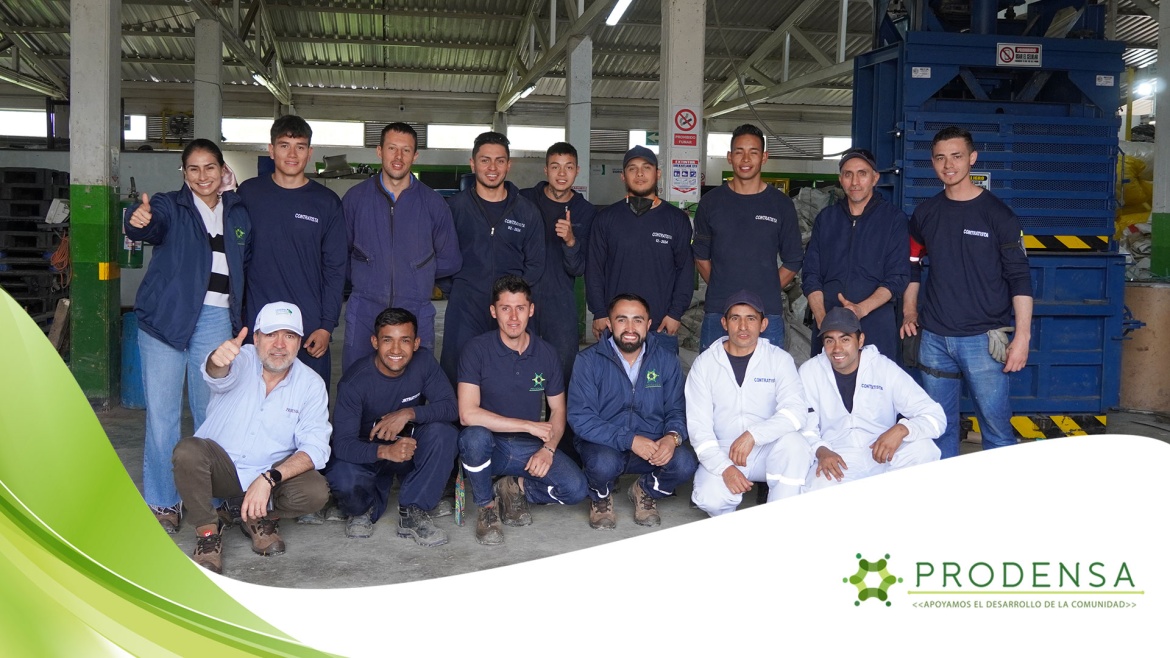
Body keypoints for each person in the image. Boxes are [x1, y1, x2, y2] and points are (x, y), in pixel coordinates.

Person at [125, 138, 251, 534]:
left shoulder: (237, 212)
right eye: (193, 169)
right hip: (165, 321)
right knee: (162, 418)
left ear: (222, 169)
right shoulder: (169, 205)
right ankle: (163, 501)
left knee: (210, 416)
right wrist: (137, 220)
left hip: (215, 322)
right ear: (184, 173)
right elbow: (146, 222)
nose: (202, 176)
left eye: (209, 167)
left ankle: (209, 501)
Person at [900, 126, 1033, 459]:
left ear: (972, 159)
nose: (949, 165)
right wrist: (910, 310)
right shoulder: (925, 214)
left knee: (997, 432)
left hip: (983, 341)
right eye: (941, 158)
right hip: (934, 340)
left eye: (957, 156)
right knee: (938, 429)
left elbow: (1020, 278)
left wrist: (1023, 337)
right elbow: (912, 264)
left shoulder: (999, 215)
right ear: (932, 162)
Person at [172, 302, 331, 574]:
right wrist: (216, 361)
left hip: (268, 475)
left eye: (289, 336)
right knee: (187, 451)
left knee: (316, 491)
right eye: (271, 335)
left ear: (299, 342)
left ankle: (258, 517)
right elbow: (217, 374)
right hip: (220, 469)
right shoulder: (242, 359)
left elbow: (316, 448)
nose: (280, 344)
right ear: (256, 338)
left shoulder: (311, 384)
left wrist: (269, 479)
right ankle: (208, 533)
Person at [456, 275, 587, 545]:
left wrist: (548, 448)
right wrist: (528, 425)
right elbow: (468, 414)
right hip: (490, 447)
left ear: (531, 310)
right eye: (505, 308)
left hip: (530, 449)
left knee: (576, 489)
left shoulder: (546, 353)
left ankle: (514, 487)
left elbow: (558, 410)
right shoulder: (476, 350)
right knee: (473, 437)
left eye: (520, 308)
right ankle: (486, 507)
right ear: (494, 312)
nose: (513, 317)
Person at [327, 307, 458, 546]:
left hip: (408, 448)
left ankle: (413, 510)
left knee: (444, 433)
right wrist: (385, 451)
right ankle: (361, 509)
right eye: (388, 340)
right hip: (366, 454)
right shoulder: (355, 382)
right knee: (342, 474)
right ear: (375, 342)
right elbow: (343, 445)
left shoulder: (424, 362)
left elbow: (451, 407)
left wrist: (408, 413)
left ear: (416, 343)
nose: (396, 350)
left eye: (404, 340)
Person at [568, 293, 697, 529]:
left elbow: (678, 409)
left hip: (652, 445)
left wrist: (672, 437)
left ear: (648, 324)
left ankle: (644, 490)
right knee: (602, 464)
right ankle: (600, 495)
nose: (630, 327)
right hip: (604, 446)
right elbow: (581, 418)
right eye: (621, 319)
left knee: (685, 462)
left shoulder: (666, 361)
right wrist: (630, 439)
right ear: (609, 323)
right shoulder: (588, 360)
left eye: (637, 320)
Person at [340, 122, 461, 370]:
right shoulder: (355, 199)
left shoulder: (434, 204)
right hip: (365, 310)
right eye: (392, 148)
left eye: (406, 150)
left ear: (415, 155)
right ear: (379, 151)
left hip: (415, 311)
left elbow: (450, 260)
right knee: (357, 383)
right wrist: (369, 276)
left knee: (414, 387)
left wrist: (416, 275)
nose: (398, 157)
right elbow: (340, 256)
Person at [239, 115, 347, 389]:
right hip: (258, 324)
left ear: (310, 153)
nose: (292, 153)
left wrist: (326, 326)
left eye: (300, 146)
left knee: (308, 406)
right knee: (254, 405)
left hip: (308, 328)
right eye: (284, 145)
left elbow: (335, 269)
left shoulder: (326, 203)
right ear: (271, 149)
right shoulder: (249, 193)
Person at [685, 290, 813, 516]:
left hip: (769, 448)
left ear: (763, 324)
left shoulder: (779, 359)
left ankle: (780, 516)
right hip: (724, 451)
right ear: (724, 323)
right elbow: (699, 429)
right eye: (736, 318)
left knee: (795, 445)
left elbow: (796, 412)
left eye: (751, 318)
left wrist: (754, 435)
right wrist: (725, 468)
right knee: (710, 499)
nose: (743, 326)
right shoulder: (704, 364)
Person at [440, 131, 545, 385]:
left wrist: (513, 297)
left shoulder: (526, 211)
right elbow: (439, 256)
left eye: (500, 161)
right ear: (472, 163)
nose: (492, 167)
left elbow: (535, 263)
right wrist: (459, 289)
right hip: (465, 306)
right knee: (459, 371)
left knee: (508, 374)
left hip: (509, 308)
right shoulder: (454, 208)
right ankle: (456, 425)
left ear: (509, 165)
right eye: (485, 160)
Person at [800, 307, 944, 491]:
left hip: (882, 451)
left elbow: (935, 416)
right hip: (837, 455)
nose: (837, 348)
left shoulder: (883, 368)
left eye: (845, 339)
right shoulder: (810, 371)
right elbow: (803, 424)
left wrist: (903, 429)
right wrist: (821, 450)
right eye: (830, 340)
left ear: (860, 340)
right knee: (817, 484)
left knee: (925, 449)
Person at [693, 124, 802, 351]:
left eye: (753, 152)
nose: (745, 158)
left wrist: (766, 289)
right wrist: (724, 286)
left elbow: (793, 260)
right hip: (719, 312)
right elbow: (701, 256)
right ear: (729, 157)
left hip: (766, 315)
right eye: (739, 152)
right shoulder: (710, 203)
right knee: (715, 381)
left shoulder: (781, 205)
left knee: (766, 382)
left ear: (764, 157)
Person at [803, 148, 909, 360]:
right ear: (840, 179)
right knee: (826, 391)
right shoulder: (827, 219)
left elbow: (898, 278)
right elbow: (810, 275)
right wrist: (824, 320)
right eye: (848, 174)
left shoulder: (893, 219)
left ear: (875, 178)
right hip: (829, 327)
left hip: (875, 325)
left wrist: (860, 309)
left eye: (862, 173)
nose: (855, 182)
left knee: (874, 390)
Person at [586, 145, 693, 354]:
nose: (640, 174)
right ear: (623, 176)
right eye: (632, 168)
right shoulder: (606, 219)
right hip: (615, 326)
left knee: (662, 386)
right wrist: (599, 312)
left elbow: (685, 270)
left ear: (658, 174)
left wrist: (675, 314)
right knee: (614, 386)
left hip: (661, 327)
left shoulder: (677, 220)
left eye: (646, 167)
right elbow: (594, 270)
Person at [519, 141, 596, 381]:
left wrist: (571, 241)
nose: (562, 174)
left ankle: (559, 420)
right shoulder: (524, 201)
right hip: (522, 299)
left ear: (577, 170)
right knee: (520, 370)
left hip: (561, 302)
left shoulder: (584, 211)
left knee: (563, 371)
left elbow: (578, 268)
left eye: (568, 167)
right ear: (546, 170)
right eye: (555, 167)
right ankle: (522, 419)